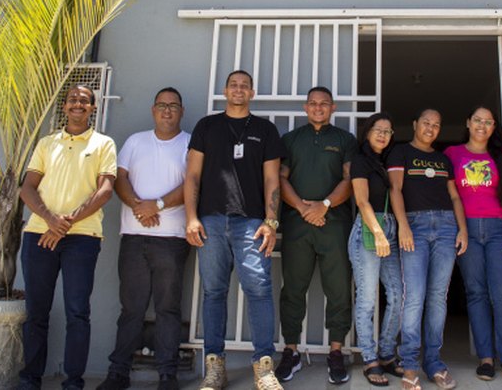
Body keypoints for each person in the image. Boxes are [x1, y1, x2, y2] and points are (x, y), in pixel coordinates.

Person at [184, 70, 287, 390]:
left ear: (252, 92)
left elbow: (272, 179)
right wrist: (191, 217)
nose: (239, 89)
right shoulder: (207, 126)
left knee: (259, 290)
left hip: (252, 222)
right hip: (210, 221)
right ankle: (215, 366)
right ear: (225, 91)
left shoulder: (265, 130)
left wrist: (271, 221)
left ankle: (264, 367)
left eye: (244, 85)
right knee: (214, 292)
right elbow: (192, 176)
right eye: (234, 85)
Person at [18, 86, 117, 390]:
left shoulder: (103, 144)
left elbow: (105, 190)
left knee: (77, 312)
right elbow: (27, 188)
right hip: (38, 236)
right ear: (65, 106)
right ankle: (29, 380)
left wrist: (66, 223)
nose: (78, 104)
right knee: (36, 312)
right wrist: (50, 220)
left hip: (82, 239)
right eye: (73, 99)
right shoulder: (47, 144)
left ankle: (73, 382)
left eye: (84, 101)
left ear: (92, 109)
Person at [97, 88, 191, 390]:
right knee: (131, 309)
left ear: (181, 112)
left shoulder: (190, 144)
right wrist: (140, 207)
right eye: (162, 105)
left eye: (173, 106)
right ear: (153, 110)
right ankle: (118, 373)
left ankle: (167, 375)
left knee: (168, 308)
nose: (167, 111)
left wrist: (158, 205)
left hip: (172, 239)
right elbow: (119, 178)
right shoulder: (136, 141)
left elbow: (193, 184)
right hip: (134, 237)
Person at [275, 87, 357, 385]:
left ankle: (336, 352)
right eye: (313, 104)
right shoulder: (291, 140)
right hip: (297, 224)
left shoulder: (345, 140)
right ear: (305, 107)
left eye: (324, 104)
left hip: (334, 223)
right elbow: (280, 178)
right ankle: (291, 350)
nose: (318, 108)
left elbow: (350, 179)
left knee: (338, 288)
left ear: (333, 108)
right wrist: (301, 207)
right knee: (293, 288)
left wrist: (323, 206)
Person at [387, 109, 468, 390]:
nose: (430, 128)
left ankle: (433, 361)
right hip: (415, 226)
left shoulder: (443, 159)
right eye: (426, 123)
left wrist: (463, 229)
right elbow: (395, 190)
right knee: (414, 296)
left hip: (446, 227)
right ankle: (409, 364)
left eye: (436, 124)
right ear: (414, 125)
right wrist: (403, 226)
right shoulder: (400, 152)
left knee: (438, 297)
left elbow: (455, 196)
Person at [444, 107, 502, 385]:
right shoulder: (452, 155)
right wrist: (458, 230)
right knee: (476, 293)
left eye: (487, 122)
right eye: (477, 120)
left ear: (493, 127)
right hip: (466, 230)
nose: (482, 125)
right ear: (468, 122)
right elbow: (448, 195)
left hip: (499, 230)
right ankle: (486, 359)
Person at [348, 112, 404, 387]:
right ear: (368, 132)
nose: (383, 134)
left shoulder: (387, 161)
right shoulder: (360, 160)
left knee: (398, 294)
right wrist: (379, 234)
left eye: (388, 130)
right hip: (369, 231)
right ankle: (370, 359)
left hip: (390, 229)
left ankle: (386, 353)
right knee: (367, 299)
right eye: (378, 129)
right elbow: (361, 200)